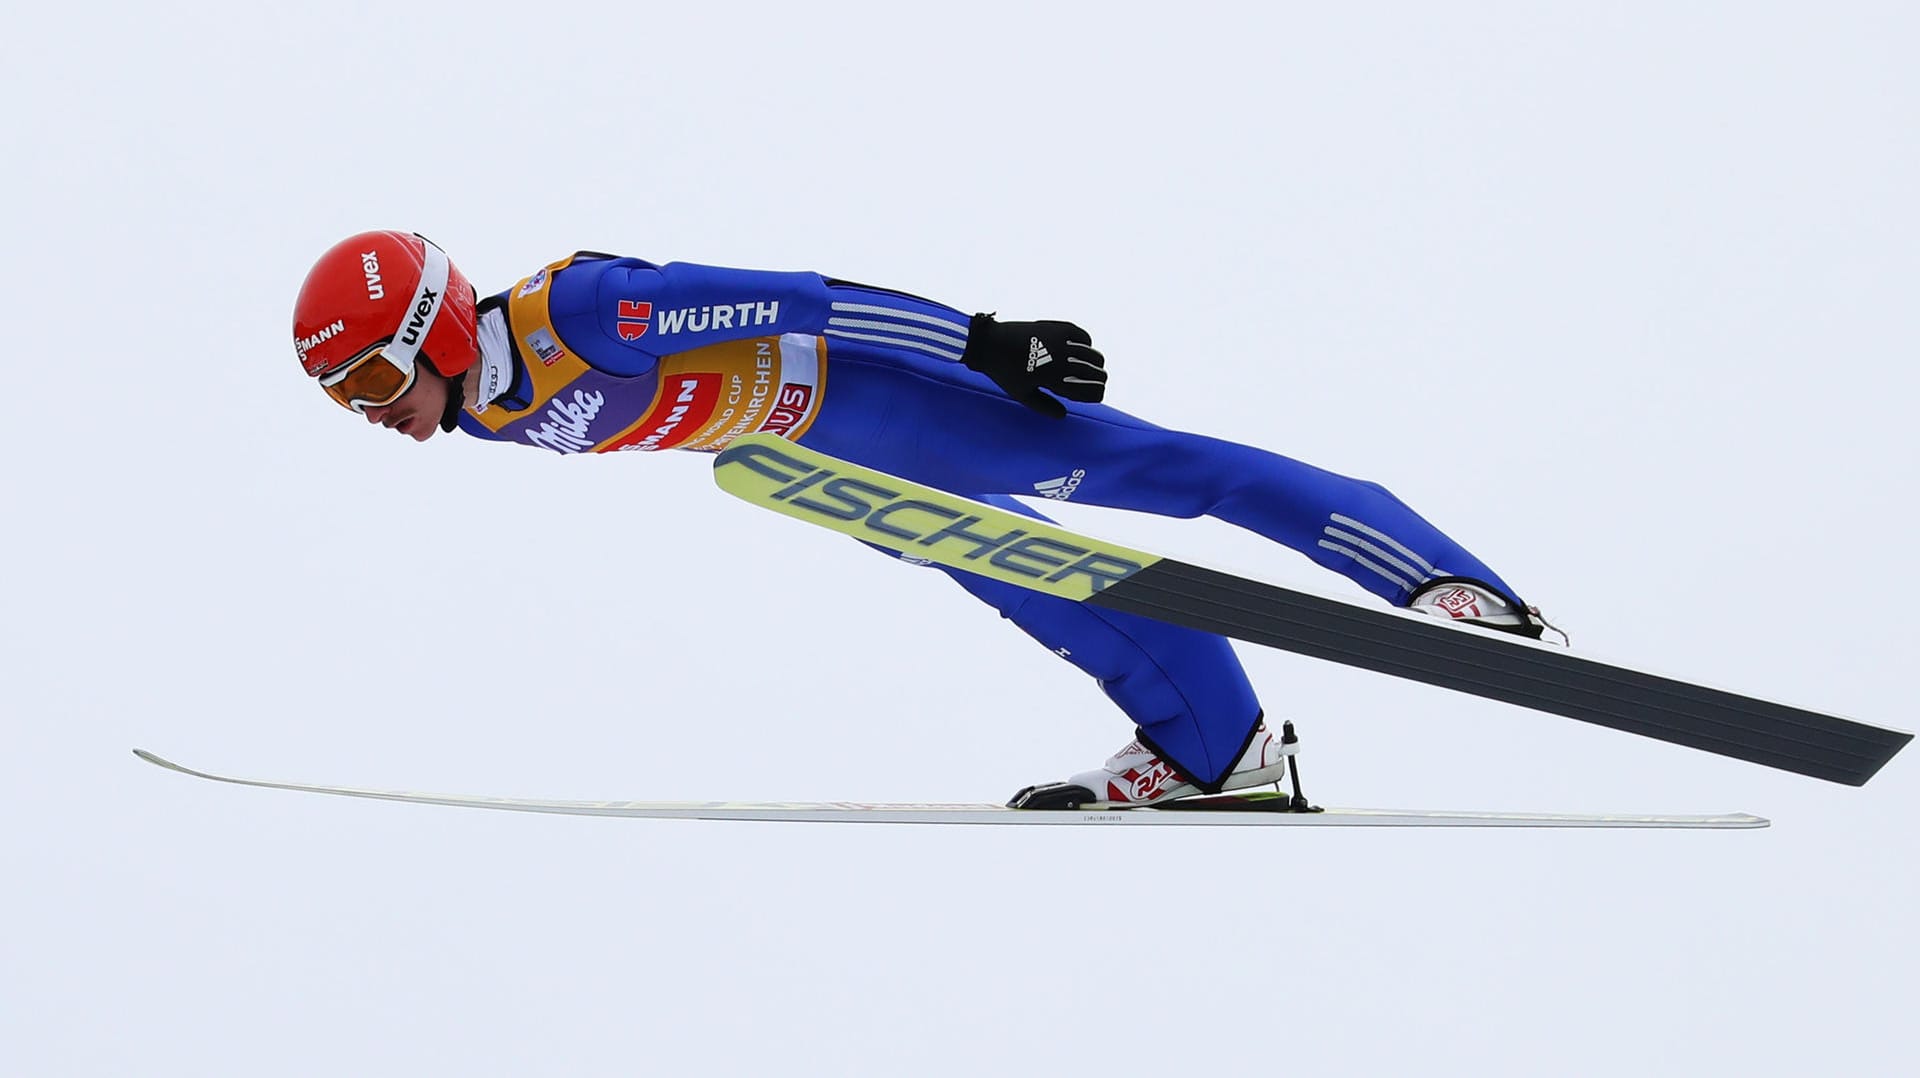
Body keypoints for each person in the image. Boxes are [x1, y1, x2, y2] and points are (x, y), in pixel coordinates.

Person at [292, 231, 1549, 808]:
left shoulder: (586, 312)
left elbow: (807, 302)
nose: (367, 412)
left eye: (367, 379)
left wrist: (984, 343)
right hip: (825, 464)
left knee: (1166, 473)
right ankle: (1221, 753)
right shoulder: (493, 415)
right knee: (1045, 585)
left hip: (894, 397)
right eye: (343, 397)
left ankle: (1439, 579)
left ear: (434, 333)